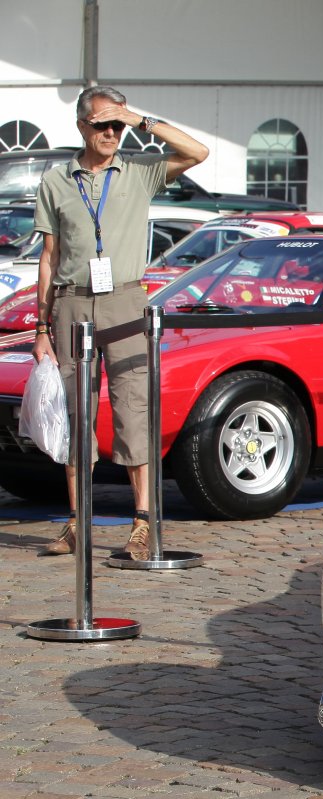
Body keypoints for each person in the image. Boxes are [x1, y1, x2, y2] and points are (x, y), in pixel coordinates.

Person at [33, 86, 208, 561]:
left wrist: (139, 120)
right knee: (76, 413)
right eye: (102, 124)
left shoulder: (138, 171)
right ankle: (77, 522)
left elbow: (198, 151)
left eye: (117, 124)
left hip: (126, 301)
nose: (111, 132)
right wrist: (42, 329)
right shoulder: (56, 181)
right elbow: (49, 257)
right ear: (81, 126)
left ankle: (143, 523)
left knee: (133, 409)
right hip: (72, 302)